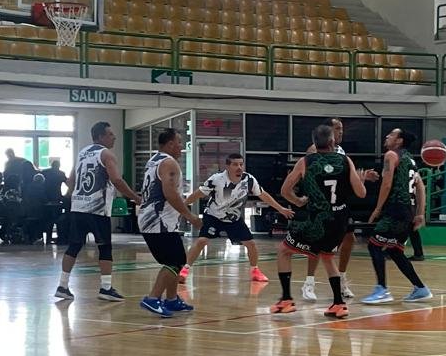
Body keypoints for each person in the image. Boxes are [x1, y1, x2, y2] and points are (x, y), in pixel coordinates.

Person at [271, 124, 366, 319]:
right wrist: (361, 179)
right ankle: (339, 304)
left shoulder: (306, 161)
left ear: (315, 143)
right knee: (328, 257)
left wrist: (298, 201)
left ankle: (286, 300)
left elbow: (284, 190)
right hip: (339, 219)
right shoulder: (345, 161)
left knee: (284, 251)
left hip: (317, 219)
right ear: (332, 142)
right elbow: (361, 193)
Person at [55, 120, 141, 302]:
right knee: (105, 247)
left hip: (78, 207)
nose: (114, 137)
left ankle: (62, 286)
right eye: (110, 134)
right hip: (97, 209)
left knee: (74, 246)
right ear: (100, 136)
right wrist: (135, 197)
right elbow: (117, 180)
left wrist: (73, 199)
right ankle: (106, 287)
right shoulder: (106, 154)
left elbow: (70, 181)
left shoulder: (82, 153)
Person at [179, 153, 294, 283]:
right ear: (227, 166)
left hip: (234, 218)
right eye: (235, 164)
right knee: (202, 241)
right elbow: (197, 194)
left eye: (241, 164)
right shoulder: (217, 179)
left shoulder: (249, 180)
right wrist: (182, 206)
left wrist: (281, 209)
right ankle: (184, 271)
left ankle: (255, 271)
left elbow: (263, 195)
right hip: (214, 216)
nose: (239, 167)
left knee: (251, 244)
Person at [361, 129, 433, 304]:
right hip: (408, 210)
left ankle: (382, 290)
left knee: (374, 245)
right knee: (394, 250)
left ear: (399, 141)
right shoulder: (410, 160)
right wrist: (420, 213)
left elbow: (386, 184)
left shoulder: (391, 155)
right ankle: (421, 289)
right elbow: (421, 187)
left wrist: (377, 209)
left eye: (391, 135)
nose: (387, 137)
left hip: (395, 209)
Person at [138, 128, 200, 317]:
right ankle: (152, 298)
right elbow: (170, 192)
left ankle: (172, 300)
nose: (182, 146)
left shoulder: (153, 160)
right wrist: (189, 215)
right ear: (171, 143)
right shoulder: (169, 162)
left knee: (174, 261)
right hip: (158, 220)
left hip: (155, 219)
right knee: (175, 261)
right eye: (180, 142)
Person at [302, 118, 363, 301]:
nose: (341, 132)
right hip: (321, 206)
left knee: (349, 238)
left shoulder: (341, 153)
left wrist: (360, 178)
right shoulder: (313, 151)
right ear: (328, 131)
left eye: (342, 129)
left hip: (339, 204)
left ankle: (342, 279)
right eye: (337, 128)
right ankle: (309, 282)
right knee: (317, 244)